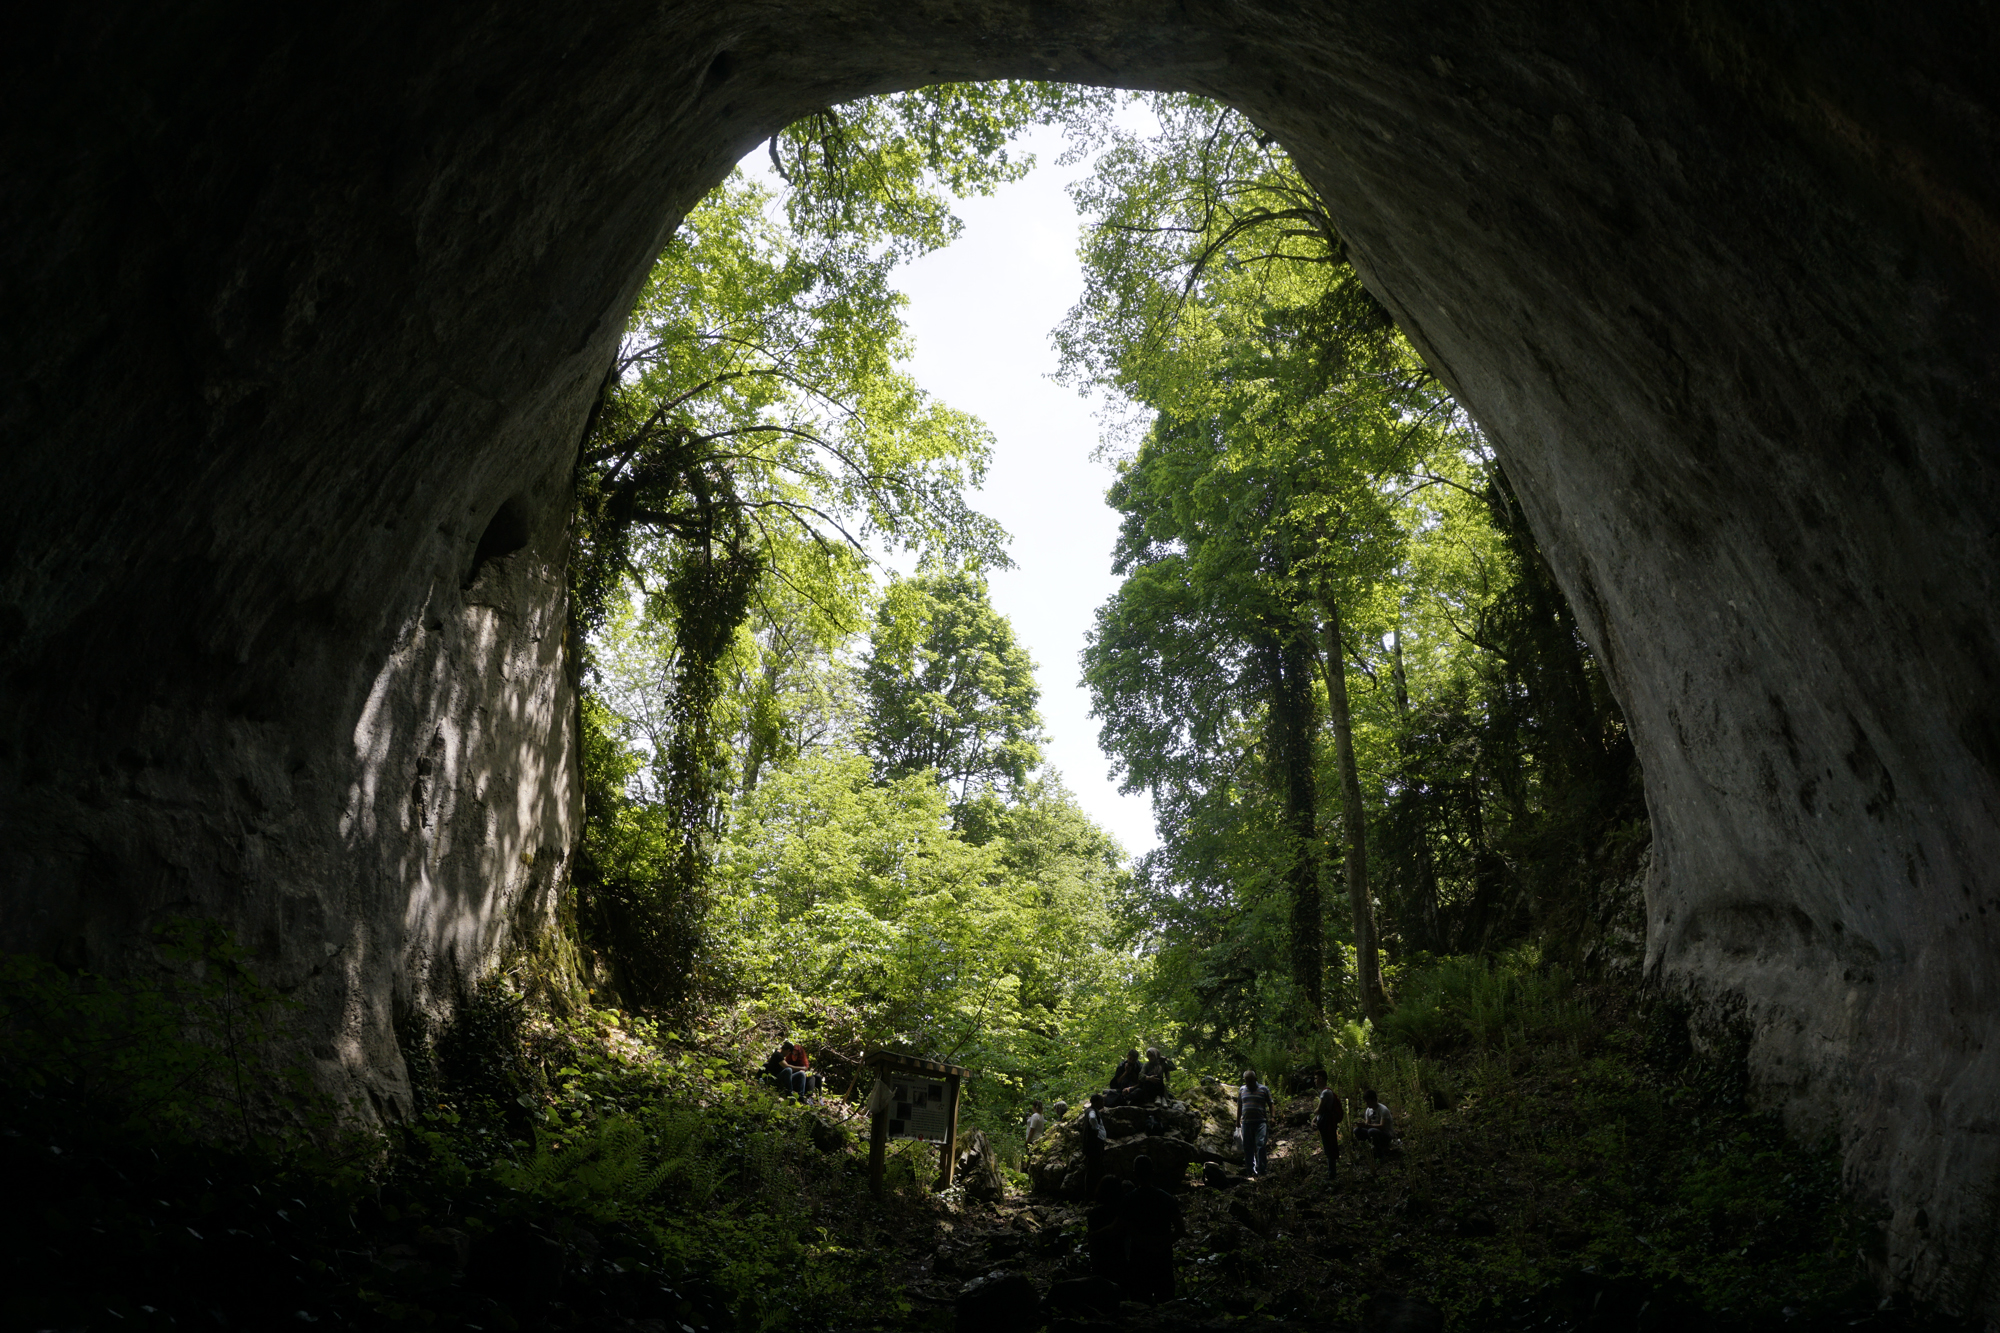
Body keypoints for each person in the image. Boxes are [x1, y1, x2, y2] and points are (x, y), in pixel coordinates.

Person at [1119, 1154, 1183, 1302]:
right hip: (1163, 1258)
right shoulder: (1166, 1198)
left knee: (1140, 1302)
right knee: (1165, 1301)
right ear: (1153, 1172)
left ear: (1135, 1174)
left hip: (1139, 1258)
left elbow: (1121, 1227)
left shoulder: (1130, 1199)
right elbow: (1181, 1229)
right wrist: (1163, 1243)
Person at [1085, 1176, 1129, 1286]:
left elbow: (1092, 1243)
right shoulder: (1123, 1213)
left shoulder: (1094, 1214)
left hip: (1100, 1262)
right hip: (1119, 1260)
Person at [1237, 1070, 1272, 1177]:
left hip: (1260, 1122)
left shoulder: (1264, 1089)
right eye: (1246, 1081)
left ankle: (1262, 1170)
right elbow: (1239, 1105)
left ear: (1255, 1079)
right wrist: (1237, 1121)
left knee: (1260, 1145)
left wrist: (1273, 1117)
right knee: (1247, 1147)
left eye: (1250, 1081)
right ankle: (1250, 1171)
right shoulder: (1242, 1089)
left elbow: (1271, 1103)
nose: (1248, 1083)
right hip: (1246, 1123)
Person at [1311, 1071, 1343, 1184]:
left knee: (1330, 1146)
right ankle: (1331, 1173)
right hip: (1326, 1124)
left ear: (1322, 1078)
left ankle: (1332, 1174)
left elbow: (1319, 1110)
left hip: (1328, 1124)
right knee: (1329, 1146)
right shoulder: (1325, 1092)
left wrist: (1312, 1113)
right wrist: (1314, 1119)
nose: (1315, 1080)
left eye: (1316, 1078)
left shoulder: (1325, 1093)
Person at [1079, 1093, 1111, 1193]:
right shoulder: (1092, 1111)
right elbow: (1092, 1118)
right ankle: (1091, 1192)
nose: (1103, 1103)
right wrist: (1096, 1129)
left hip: (1094, 1144)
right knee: (1093, 1169)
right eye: (1102, 1101)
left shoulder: (1091, 1110)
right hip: (1094, 1145)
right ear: (1097, 1102)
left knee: (1093, 1168)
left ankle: (1093, 1191)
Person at [1355, 1087, 1395, 1159]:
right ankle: (1368, 1151)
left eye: (1368, 1102)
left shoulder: (1383, 1110)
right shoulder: (1368, 1110)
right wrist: (1362, 1125)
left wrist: (1367, 1125)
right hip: (1373, 1132)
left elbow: (1382, 1126)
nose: (1367, 1104)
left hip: (1385, 1134)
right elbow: (1368, 1124)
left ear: (1374, 1100)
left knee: (1372, 1131)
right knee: (1357, 1130)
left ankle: (1380, 1154)